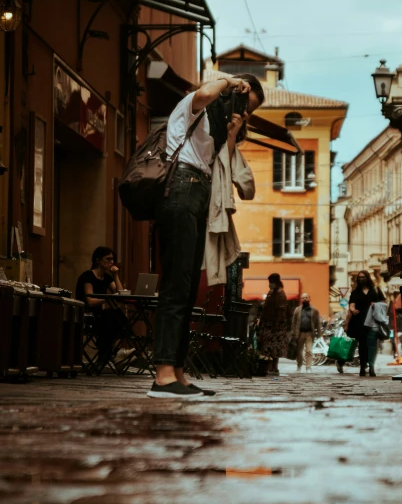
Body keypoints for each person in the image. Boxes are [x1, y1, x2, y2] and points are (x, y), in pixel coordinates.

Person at [148, 74, 265, 399]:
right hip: (181, 190)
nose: (244, 112)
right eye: (244, 103)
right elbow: (203, 92)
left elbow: (218, 164)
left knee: (186, 289)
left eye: (250, 109)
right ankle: (162, 375)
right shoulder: (194, 106)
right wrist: (230, 81)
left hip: (198, 193)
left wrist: (231, 134)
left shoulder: (215, 130)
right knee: (175, 286)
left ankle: (178, 373)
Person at [75, 246, 131, 369]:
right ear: (98, 260)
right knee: (111, 316)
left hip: (100, 315)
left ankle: (114, 352)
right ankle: (115, 353)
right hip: (86, 315)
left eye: (113, 260)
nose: (112, 262)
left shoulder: (107, 277)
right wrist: (107, 298)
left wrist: (115, 275)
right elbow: (89, 301)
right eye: (108, 259)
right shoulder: (88, 276)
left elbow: (120, 294)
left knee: (115, 315)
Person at [340, 270, 383, 377]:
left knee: (372, 344)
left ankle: (372, 367)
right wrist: (353, 311)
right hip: (360, 322)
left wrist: (376, 305)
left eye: (363, 277)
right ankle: (363, 366)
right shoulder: (355, 292)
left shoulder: (375, 290)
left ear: (367, 278)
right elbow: (351, 306)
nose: (361, 279)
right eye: (359, 278)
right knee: (362, 345)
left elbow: (384, 303)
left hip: (373, 321)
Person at [257, 273, 288, 375]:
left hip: (276, 326)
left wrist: (276, 325)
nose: (270, 284)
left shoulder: (280, 293)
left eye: (271, 282)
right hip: (267, 324)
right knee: (267, 347)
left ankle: (274, 367)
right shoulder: (271, 292)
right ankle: (269, 365)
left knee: (275, 347)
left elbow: (281, 311)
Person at [290, 293, 322, 373]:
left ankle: (308, 367)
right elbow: (293, 323)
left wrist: (319, 334)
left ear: (309, 299)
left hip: (309, 334)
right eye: (303, 298)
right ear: (301, 299)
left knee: (309, 351)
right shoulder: (297, 310)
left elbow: (318, 322)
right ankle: (299, 366)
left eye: (306, 297)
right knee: (299, 351)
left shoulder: (314, 310)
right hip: (299, 333)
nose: (305, 299)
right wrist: (292, 333)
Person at [363, 294, 389, 376]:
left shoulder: (376, 305)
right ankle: (371, 366)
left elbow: (376, 315)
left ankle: (367, 366)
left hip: (371, 329)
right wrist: (385, 321)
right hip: (378, 330)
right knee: (373, 349)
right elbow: (379, 316)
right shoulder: (383, 305)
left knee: (368, 347)